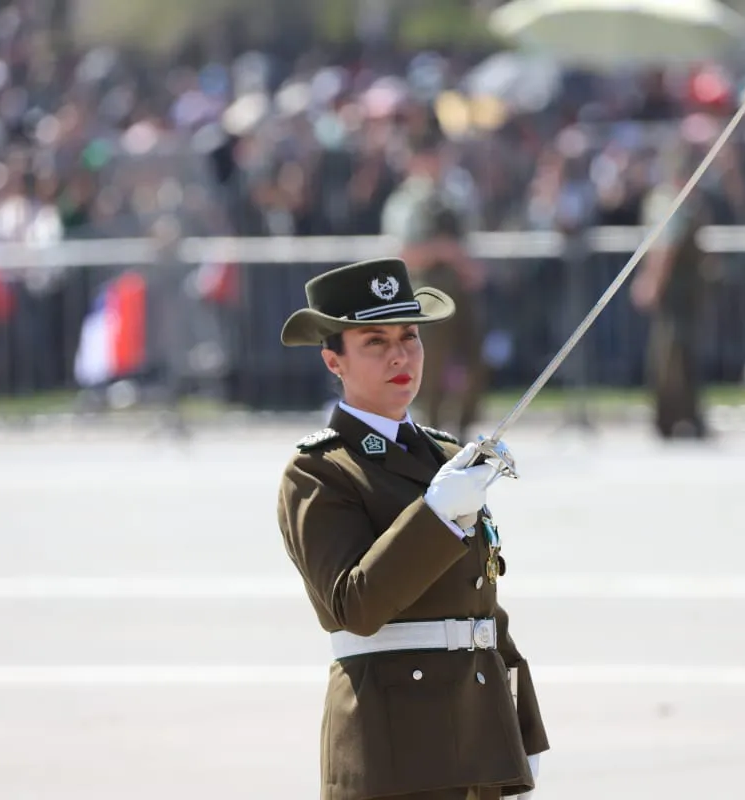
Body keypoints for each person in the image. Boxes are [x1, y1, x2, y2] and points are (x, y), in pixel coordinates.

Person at [277, 257, 548, 800]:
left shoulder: (444, 455)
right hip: (391, 750)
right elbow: (355, 607)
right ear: (333, 360)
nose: (400, 355)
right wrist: (435, 516)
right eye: (375, 342)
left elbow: (480, 607)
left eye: (410, 336)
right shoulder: (319, 472)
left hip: (476, 740)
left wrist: (522, 726)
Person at [381, 125, 488, 442]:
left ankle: (462, 429)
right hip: (424, 295)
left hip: (458, 292)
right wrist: (442, 251)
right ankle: (426, 433)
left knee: (474, 363)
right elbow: (403, 254)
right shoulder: (406, 202)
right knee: (427, 368)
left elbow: (464, 245)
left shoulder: (452, 198)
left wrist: (465, 265)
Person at [631, 144, 711, 440]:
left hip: (684, 291)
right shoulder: (669, 199)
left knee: (680, 354)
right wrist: (652, 282)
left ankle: (685, 415)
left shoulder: (683, 199)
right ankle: (670, 417)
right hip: (672, 290)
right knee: (669, 356)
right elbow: (664, 246)